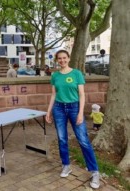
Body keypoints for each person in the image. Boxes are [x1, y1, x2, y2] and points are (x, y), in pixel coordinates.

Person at [45, 50, 100, 189]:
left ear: (68, 58)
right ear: (57, 60)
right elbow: (53, 94)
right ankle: (66, 165)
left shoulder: (76, 74)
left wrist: (81, 113)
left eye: (64, 58)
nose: (62, 60)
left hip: (75, 108)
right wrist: (48, 111)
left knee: (83, 139)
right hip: (59, 108)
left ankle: (94, 171)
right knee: (62, 138)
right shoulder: (55, 75)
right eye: (59, 58)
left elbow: (82, 94)